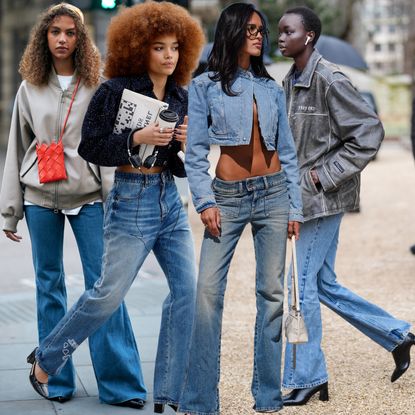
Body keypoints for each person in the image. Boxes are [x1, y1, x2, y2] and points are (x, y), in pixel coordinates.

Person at [23, 2, 204, 413]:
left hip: (168, 202)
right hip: (130, 199)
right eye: (159, 47)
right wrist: (137, 135)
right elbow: (90, 146)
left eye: (175, 47)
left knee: (188, 293)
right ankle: (47, 358)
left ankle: (170, 395)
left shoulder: (180, 95)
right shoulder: (113, 90)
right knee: (107, 295)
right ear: (140, 49)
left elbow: (176, 163)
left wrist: (183, 143)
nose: (169, 55)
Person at [0, 3, 148, 408]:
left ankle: (121, 385)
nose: (62, 39)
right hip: (39, 199)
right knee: (50, 286)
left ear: (81, 39)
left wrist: (115, 200)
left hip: (89, 198)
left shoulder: (98, 86)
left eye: (70, 32)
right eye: (55, 32)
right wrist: (10, 210)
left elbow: (113, 145)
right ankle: (57, 380)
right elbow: (16, 148)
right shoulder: (29, 87)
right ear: (44, 37)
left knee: (105, 289)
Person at [278, 6, 415, 406]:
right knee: (323, 285)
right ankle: (396, 333)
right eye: (280, 31)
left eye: (289, 31)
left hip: (322, 200)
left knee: (299, 289)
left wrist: (322, 176)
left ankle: (308, 376)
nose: (281, 36)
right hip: (305, 198)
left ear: (310, 37)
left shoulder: (328, 79)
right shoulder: (293, 80)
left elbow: (369, 133)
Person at [178, 3, 303, 414]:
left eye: (261, 30)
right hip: (226, 198)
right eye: (251, 28)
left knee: (271, 296)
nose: (259, 35)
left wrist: (295, 207)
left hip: (273, 196)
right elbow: (194, 153)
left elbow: (288, 151)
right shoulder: (204, 86)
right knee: (207, 296)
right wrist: (205, 200)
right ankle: (200, 402)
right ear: (231, 30)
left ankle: (267, 399)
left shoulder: (271, 87)